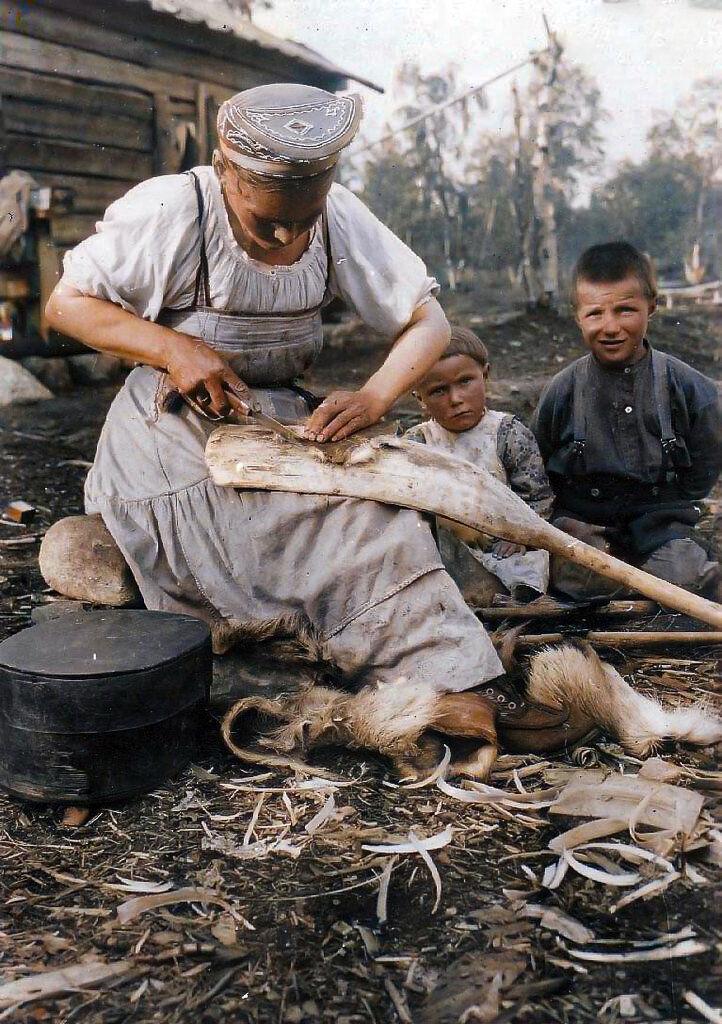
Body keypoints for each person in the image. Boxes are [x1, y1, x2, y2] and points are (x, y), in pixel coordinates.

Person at [44, 82, 511, 703]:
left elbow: (429, 321)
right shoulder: (178, 211)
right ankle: (305, 665)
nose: (286, 232)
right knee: (268, 529)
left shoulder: (338, 217)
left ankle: (444, 687)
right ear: (224, 171)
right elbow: (65, 306)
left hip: (280, 420)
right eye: (269, 218)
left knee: (371, 519)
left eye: (304, 216)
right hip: (173, 429)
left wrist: (373, 398)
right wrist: (172, 348)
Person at [531, 241, 722, 602]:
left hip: (657, 521)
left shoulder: (685, 385)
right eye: (595, 314)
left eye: (625, 310)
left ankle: (659, 575)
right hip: (583, 520)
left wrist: (677, 502)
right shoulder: (563, 390)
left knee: (691, 579)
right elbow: (536, 463)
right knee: (579, 578)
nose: (611, 327)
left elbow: (707, 456)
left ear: (651, 306)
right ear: (577, 315)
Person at [407, 325, 554, 604]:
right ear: (419, 397)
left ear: (484, 375)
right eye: (439, 391)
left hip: (505, 543)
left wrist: (523, 535)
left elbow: (537, 496)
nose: (456, 399)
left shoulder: (507, 433)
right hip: (448, 545)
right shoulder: (418, 443)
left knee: (524, 572)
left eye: (465, 382)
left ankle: (509, 600)